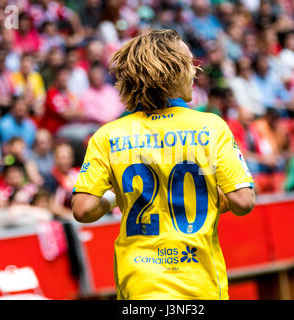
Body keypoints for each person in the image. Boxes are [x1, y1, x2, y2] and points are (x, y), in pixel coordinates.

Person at [72, 29, 255, 300]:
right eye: (189, 64)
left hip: (139, 286)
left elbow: (83, 209)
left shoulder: (108, 135)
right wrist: (201, 197)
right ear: (172, 72)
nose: (195, 72)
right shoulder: (211, 126)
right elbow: (243, 201)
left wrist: (115, 199)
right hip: (199, 285)